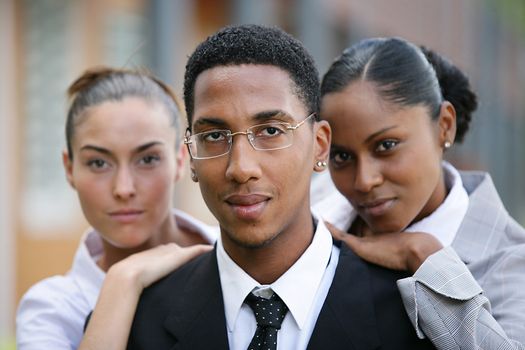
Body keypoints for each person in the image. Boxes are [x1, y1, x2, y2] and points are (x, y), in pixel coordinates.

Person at [127, 24, 436, 350]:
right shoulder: (137, 319)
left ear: (319, 145)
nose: (241, 168)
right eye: (215, 136)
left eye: (271, 131)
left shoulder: (414, 316)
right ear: (191, 156)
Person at [315, 37, 525, 349]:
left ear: (444, 126)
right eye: (342, 156)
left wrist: (424, 255)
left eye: (386, 146)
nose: (364, 181)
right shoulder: (314, 220)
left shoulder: (510, 262)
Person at [16, 67, 216, 350]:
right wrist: (123, 282)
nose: (123, 188)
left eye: (147, 159)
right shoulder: (52, 310)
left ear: (181, 160)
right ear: (69, 168)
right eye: (99, 163)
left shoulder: (240, 257)